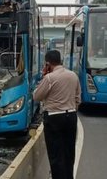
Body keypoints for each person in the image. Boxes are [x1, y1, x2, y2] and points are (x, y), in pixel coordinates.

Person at [33, 50, 81, 179]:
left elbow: (37, 96)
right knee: (69, 152)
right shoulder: (73, 75)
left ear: (48, 63)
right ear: (60, 61)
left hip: (54, 117)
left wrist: (44, 77)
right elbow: (78, 98)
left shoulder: (49, 78)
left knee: (56, 153)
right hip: (71, 116)